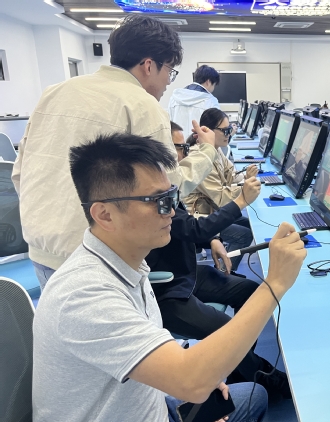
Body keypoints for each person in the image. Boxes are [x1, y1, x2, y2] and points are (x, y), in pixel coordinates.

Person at [32, 132, 306, 422]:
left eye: (172, 197)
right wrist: (275, 284)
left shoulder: (128, 263)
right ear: (104, 214)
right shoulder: (84, 295)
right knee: (219, 386)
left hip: (150, 408)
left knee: (252, 396)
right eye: (159, 202)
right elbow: (192, 382)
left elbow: (150, 348)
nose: (172, 211)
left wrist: (192, 366)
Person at [12, 15, 217, 291]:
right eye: (169, 71)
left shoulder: (53, 93)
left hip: (41, 252)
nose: (169, 82)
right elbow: (169, 188)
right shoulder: (141, 104)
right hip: (98, 258)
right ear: (148, 65)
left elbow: (20, 173)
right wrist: (207, 150)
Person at [146, 133, 291, 397]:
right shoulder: (152, 196)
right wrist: (241, 201)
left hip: (185, 273)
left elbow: (185, 225)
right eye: (181, 147)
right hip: (167, 292)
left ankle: (240, 370)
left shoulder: (166, 186)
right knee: (229, 330)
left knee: (249, 290)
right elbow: (192, 228)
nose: (184, 152)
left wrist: (211, 239)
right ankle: (263, 376)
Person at [181, 110, 258, 271]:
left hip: (212, 209)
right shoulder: (201, 159)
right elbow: (221, 199)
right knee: (244, 235)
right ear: (208, 131)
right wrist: (245, 190)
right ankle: (224, 274)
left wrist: (246, 178)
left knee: (251, 225)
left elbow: (231, 176)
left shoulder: (215, 150)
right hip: (200, 217)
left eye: (230, 129)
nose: (229, 134)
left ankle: (226, 268)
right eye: (225, 130)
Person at [169, 64, 221, 138]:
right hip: (200, 143)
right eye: (214, 85)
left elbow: (169, 124)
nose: (213, 89)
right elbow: (215, 130)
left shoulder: (174, 98)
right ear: (208, 82)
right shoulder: (211, 101)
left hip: (177, 142)